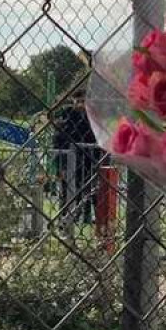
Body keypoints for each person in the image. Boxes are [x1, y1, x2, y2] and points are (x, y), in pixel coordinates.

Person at [52, 86, 101, 225]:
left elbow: (97, 139)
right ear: (73, 101)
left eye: (84, 101)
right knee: (67, 191)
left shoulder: (93, 118)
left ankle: (89, 217)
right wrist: (60, 165)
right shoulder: (67, 117)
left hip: (90, 160)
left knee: (91, 190)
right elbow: (58, 140)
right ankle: (65, 218)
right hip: (70, 160)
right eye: (78, 101)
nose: (80, 104)